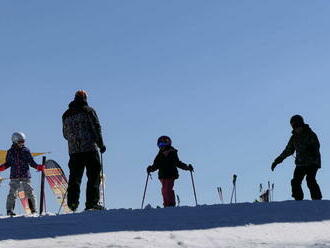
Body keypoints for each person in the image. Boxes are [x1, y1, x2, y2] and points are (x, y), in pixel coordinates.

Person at [62, 90, 106, 211]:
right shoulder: (88, 111)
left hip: (74, 151)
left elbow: (65, 134)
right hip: (89, 148)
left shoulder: (66, 114)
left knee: (75, 178)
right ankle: (91, 203)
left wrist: (74, 140)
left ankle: (72, 203)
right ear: (85, 98)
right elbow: (96, 127)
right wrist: (101, 144)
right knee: (93, 176)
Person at [271, 115, 322, 200]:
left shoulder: (310, 134)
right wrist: (277, 160)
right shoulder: (294, 138)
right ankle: (298, 199)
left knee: (310, 179)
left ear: (302, 124)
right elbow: (288, 150)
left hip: (312, 162)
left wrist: (312, 151)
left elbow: (316, 145)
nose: (297, 128)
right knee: (295, 181)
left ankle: (317, 199)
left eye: (298, 126)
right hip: (300, 163)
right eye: (294, 127)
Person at [0, 132, 44, 216]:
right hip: (14, 176)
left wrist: (38, 166)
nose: (22, 143)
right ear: (15, 141)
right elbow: (8, 163)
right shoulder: (10, 152)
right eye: (20, 142)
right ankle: (9, 210)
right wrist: (2, 167)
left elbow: (31, 162)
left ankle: (34, 209)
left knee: (29, 192)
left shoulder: (26, 151)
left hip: (25, 175)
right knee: (12, 193)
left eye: (23, 142)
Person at [147, 136, 194, 207]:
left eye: (163, 145)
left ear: (168, 144)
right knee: (164, 190)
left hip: (170, 174)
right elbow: (156, 165)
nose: (161, 147)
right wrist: (151, 168)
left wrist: (187, 167)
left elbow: (178, 163)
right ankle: (166, 204)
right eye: (160, 145)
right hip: (162, 175)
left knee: (167, 189)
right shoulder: (159, 155)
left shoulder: (172, 153)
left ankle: (171, 204)